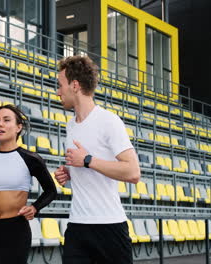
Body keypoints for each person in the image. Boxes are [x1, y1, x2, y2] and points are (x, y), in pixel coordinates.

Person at [54, 55, 141, 264]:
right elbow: (86, 166)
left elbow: (133, 173)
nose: (57, 91)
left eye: (60, 85)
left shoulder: (108, 121)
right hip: (77, 225)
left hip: (109, 227)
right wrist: (70, 173)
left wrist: (87, 161)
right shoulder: (70, 125)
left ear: (74, 85)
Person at [0, 104, 57, 264]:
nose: (0, 124)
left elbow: (51, 190)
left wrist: (35, 207)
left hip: (16, 229)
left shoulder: (31, 158)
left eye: (6, 120)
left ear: (18, 127)